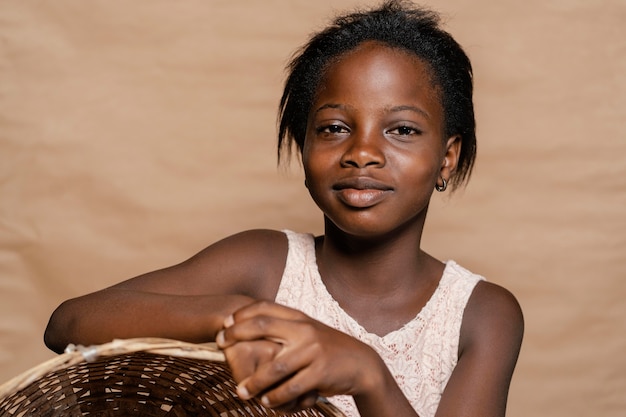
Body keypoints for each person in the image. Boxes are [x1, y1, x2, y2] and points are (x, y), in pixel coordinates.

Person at [44, 1, 524, 416]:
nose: (362, 151)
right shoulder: (262, 265)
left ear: (447, 157)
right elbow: (67, 324)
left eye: (401, 130)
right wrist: (236, 315)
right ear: (304, 149)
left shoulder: (482, 316)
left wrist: (368, 375)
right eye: (334, 128)